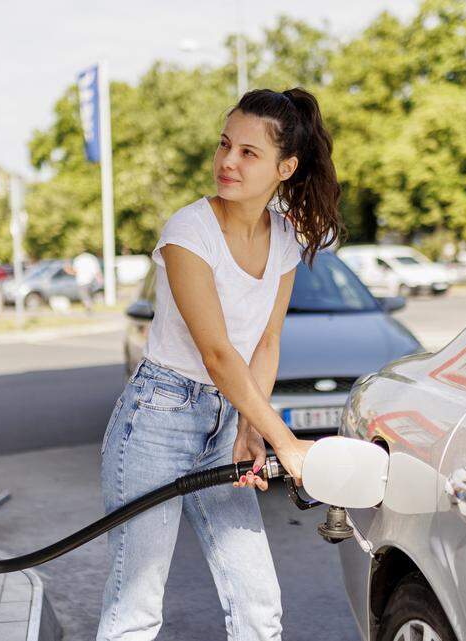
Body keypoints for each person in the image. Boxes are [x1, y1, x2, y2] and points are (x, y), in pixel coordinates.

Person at [96, 88, 344, 641]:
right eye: (225, 145)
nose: (227, 162)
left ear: (286, 166)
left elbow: (267, 342)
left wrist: (252, 428)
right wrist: (287, 440)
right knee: (136, 611)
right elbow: (217, 354)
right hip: (156, 420)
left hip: (225, 422)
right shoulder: (189, 232)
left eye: (248, 153)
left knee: (258, 606)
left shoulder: (284, 238)